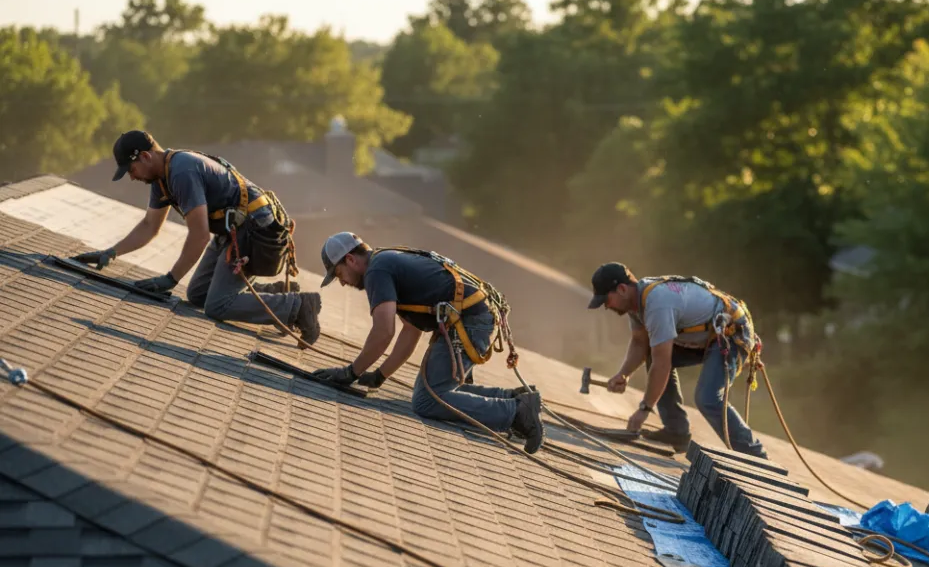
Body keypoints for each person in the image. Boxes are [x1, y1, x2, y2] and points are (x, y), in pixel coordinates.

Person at [74, 130, 321, 345]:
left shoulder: (182, 172)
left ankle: (298, 307)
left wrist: (171, 278)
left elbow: (200, 235)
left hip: (254, 229)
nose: (132, 176)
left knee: (217, 306)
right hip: (233, 228)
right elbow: (150, 225)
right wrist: (112, 252)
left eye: (131, 169)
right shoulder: (161, 179)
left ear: (146, 157)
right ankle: (277, 293)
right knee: (198, 295)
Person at [311, 233, 544, 453]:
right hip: (470, 317)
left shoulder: (377, 271)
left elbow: (383, 332)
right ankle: (514, 399)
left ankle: (517, 413)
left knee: (428, 399)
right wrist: (381, 375)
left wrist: (351, 372)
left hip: (469, 320)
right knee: (436, 391)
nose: (341, 282)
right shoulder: (385, 260)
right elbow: (410, 330)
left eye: (338, 274)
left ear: (350, 260)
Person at [588, 262, 767, 459]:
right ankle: (676, 430)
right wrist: (624, 374)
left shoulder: (657, 303)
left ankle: (756, 457)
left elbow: (662, 363)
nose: (606, 306)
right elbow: (640, 343)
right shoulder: (636, 304)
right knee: (653, 351)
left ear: (621, 289)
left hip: (733, 333)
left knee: (707, 398)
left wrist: (644, 409)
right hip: (711, 335)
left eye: (606, 300)